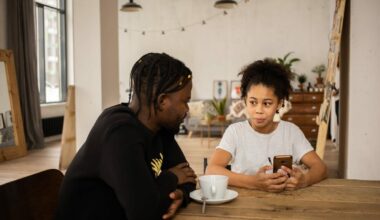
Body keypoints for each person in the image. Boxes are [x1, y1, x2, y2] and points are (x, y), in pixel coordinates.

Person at [55, 53, 197, 219]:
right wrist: (172, 177)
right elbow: (144, 213)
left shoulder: (161, 128)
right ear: (162, 101)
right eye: (185, 101)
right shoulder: (119, 132)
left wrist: (180, 194)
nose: (187, 109)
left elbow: (188, 176)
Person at [206, 59, 327, 192]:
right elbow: (211, 170)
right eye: (253, 102)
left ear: (279, 104)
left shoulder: (291, 132)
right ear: (245, 100)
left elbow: (320, 167)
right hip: (243, 207)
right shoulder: (235, 132)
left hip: (285, 206)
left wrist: (305, 180)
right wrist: (254, 182)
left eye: (267, 103)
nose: (259, 110)